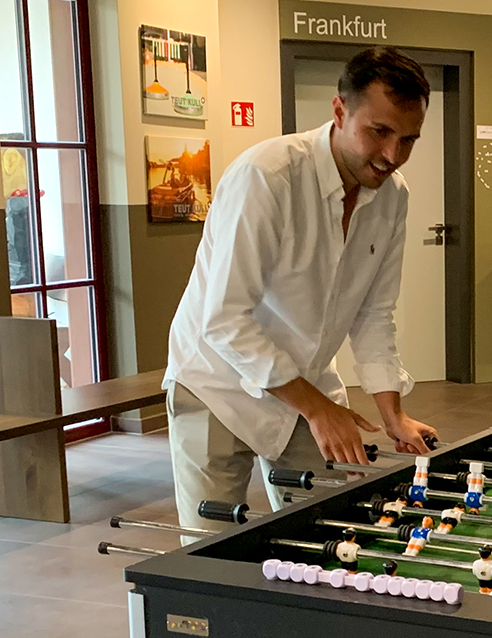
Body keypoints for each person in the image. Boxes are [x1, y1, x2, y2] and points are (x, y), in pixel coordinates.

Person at [164, 47, 439, 527]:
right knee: (211, 560)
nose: (393, 156)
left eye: (409, 139)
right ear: (339, 111)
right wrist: (320, 410)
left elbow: (374, 313)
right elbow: (224, 319)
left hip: (302, 382)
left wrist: (392, 413)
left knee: (328, 531)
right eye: (379, 132)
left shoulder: (394, 198)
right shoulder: (266, 176)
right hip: (216, 384)